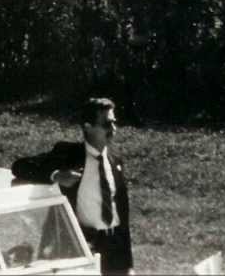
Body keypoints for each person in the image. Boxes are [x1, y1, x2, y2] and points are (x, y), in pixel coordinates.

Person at [11, 98, 134, 275]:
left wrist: (128, 264)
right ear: (88, 126)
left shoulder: (116, 160)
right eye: (106, 124)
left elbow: (121, 212)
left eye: (114, 123)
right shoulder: (67, 155)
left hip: (114, 244)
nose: (113, 129)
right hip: (82, 243)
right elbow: (20, 166)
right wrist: (56, 175)